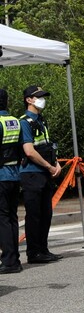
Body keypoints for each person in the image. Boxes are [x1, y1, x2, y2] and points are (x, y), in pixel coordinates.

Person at [20, 85, 62, 264]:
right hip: (31, 174)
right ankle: (33, 252)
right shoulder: (24, 121)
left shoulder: (41, 121)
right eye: (38, 97)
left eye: (43, 96)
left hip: (44, 172)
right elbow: (29, 151)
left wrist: (56, 163)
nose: (42, 100)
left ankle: (43, 249)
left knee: (46, 213)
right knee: (34, 214)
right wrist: (49, 167)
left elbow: (47, 146)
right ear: (29, 100)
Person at [0, 89, 23, 274]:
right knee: (12, 217)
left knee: (3, 219)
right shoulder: (15, 121)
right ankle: (15, 257)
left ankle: (9, 261)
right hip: (15, 174)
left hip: (1, 175)